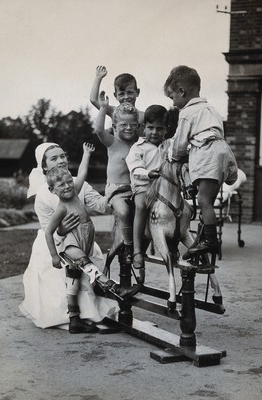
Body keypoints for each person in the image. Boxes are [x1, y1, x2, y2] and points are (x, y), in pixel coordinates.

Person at [19, 142, 119, 331]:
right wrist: (61, 231)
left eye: (62, 156)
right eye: (53, 158)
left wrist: (113, 198)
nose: (60, 161)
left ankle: (90, 312)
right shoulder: (44, 194)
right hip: (56, 244)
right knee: (66, 275)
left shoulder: (74, 183)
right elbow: (47, 228)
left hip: (82, 238)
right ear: (45, 166)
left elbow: (99, 204)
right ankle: (75, 315)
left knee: (86, 265)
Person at [164, 65, 238, 255]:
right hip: (222, 151)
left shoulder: (187, 113)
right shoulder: (211, 109)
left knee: (203, 200)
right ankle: (204, 236)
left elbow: (180, 143)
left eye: (172, 97)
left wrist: (173, 156)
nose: (173, 103)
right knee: (209, 200)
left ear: (182, 91)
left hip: (208, 154)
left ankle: (210, 241)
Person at [94, 91, 139, 263]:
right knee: (124, 211)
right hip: (117, 191)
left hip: (134, 190)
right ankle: (128, 246)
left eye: (133, 125)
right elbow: (98, 129)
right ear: (114, 125)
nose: (128, 128)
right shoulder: (113, 143)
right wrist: (103, 108)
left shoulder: (137, 144)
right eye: (123, 125)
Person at [126, 105, 171, 269]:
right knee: (141, 205)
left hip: (163, 189)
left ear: (166, 129)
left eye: (159, 129)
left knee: (179, 206)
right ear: (143, 128)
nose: (154, 132)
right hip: (144, 186)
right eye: (150, 128)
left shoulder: (168, 146)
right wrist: (148, 173)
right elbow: (135, 168)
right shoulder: (138, 148)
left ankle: (173, 244)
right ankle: (137, 250)